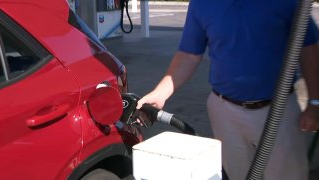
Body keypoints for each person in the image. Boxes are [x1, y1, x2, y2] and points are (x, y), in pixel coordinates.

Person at [136, 0, 319, 180]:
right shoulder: (202, 3)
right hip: (225, 111)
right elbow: (189, 54)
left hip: (279, 110)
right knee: (234, 174)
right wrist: (161, 93)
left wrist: (314, 102)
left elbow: (309, 49)